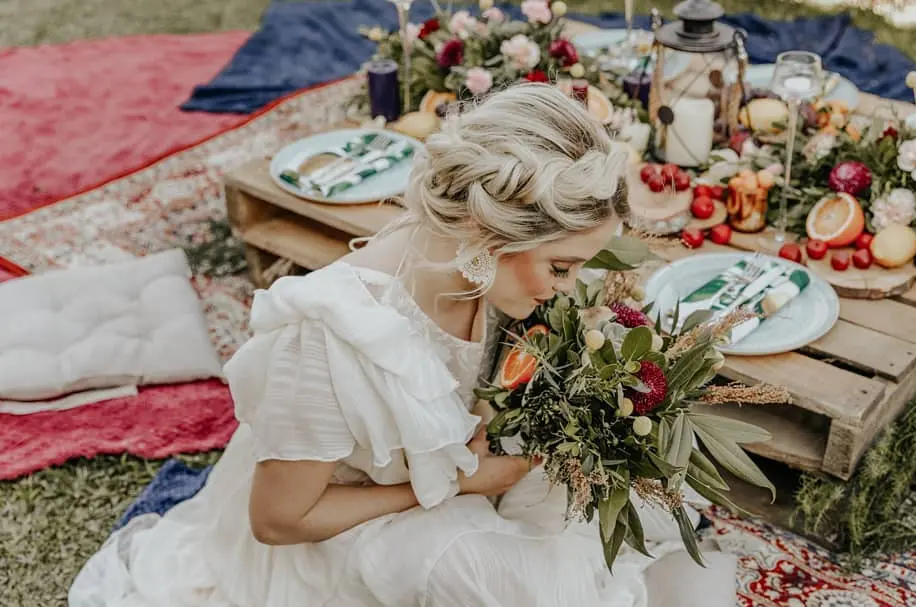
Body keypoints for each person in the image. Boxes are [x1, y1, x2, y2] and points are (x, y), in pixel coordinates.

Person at [69, 83, 737, 606]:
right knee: (491, 575)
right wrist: (447, 487)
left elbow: (474, 395)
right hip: (333, 524)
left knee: (582, 515)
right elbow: (278, 518)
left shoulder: (477, 267)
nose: (565, 291)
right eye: (560, 267)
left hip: (442, 477)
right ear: (486, 230)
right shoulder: (326, 335)